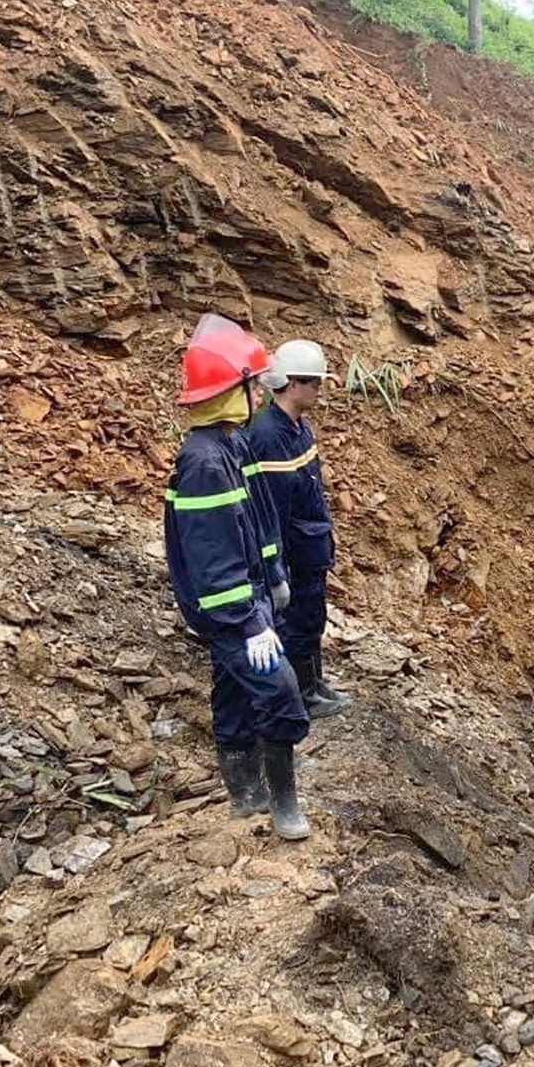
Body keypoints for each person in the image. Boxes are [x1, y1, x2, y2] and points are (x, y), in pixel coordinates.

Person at [164, 314, 312, 840]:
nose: (261, 393)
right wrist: (248, 624)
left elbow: (258, 520)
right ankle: (282, 804)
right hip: (232, 610)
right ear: (233, 392)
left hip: (252, 598)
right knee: (279, 690)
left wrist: (273, 574)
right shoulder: (204, 462)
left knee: (231, 691)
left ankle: (246, 792)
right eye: (253, 385)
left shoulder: (232, 445)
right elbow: (212, 559)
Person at [247, 339, 350, 719]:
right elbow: (272, 510)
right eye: (315, 384)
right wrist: (276, 569)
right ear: (292, 384)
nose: (319, 391)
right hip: (295, 550)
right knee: (295, 621)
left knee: (311, 616)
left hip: (311, 545)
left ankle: (314, 683)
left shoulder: (297, 428)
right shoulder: (270, 436)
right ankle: (302, 695)